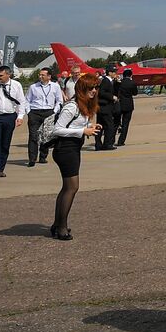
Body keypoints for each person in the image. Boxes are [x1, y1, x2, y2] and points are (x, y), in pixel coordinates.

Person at [49, 72, 101, 241]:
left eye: (95, 87)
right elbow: (57, 129)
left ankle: (57, 224)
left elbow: (78, 124)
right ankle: (61, 227)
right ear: (82, 89)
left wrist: (90, 126)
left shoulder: (83, 105)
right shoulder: (72, 106)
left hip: (73, 148)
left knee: (67, 188)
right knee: (72, 187)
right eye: (91, 88)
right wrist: (82, 131)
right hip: (65, 149)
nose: (94, 91)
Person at [25, 67, 63, 166]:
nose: (40, 76)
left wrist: (54, 112)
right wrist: (29, 112)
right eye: (40, 75)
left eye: (43, 75)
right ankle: (32, 159)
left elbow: (59, 101)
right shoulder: (33, 87)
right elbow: (27, 100)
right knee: (33, 136)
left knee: (46, 136)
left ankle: (43, 156)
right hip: (35, 112)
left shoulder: (55, 86)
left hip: (48, 112)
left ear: (49, 76)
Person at [96, 65, 120, 150]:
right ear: (109, 73)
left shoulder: (110, 81)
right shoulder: (106, 81)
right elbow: (101, 93)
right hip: (104, 106)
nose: (115, 74)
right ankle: (107, 144)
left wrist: (117, 83)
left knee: (100, 126)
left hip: (105, 107)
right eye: (114, 72)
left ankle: (98, 145)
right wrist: (111, 97)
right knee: (109, 126)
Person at [116, 68, 139, 147]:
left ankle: (111, 140)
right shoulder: (132, 83)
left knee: (116, 123)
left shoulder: (120, 83)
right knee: (125, 124)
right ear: (131, 75)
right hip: (128, 105)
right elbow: (135, 93)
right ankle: (121, 141)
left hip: (120, 104)